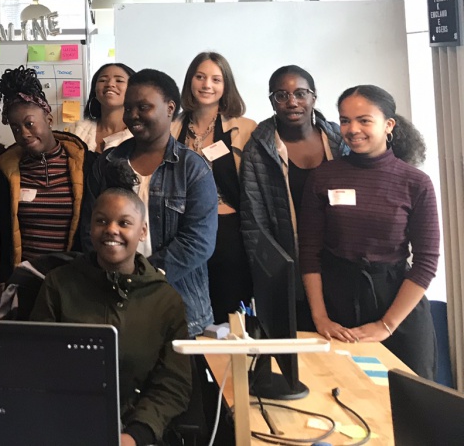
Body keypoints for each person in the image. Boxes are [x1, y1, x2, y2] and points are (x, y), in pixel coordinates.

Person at [32, 164, 191, 446]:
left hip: (135, 432)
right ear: (90, 226)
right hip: (63, 426)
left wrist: (136, 435)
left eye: (124, 223)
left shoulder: (165, 300)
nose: (111, 230)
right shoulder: (59, 284)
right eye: (101, 221)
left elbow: (173, 383)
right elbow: (38, 363)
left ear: (142, 231)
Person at [299, 85, 439, 378]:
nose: (353, 129)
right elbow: (310, 253)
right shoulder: (324, 176)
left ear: (389, 125)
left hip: (397, 304)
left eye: (364, 120)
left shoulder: (416, 182)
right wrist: (320, 317)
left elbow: (426, 262)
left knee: (410, 398)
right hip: (337, 304)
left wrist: (386, 325)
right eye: (345, 120)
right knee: (340, 390)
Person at [89, 69, 217, 336]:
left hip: (178, 302)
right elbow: (89, 228)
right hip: (112, 297)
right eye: (128, 108)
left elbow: (198, 242)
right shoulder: (107, 164)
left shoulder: (193, 169)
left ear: (169, 108)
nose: (132, 115)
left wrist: (142, 275)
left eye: (143, 107)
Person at [240, 65, 346, 331]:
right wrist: (273, 277)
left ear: (313, 97)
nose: (292, 102)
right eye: (281, 95)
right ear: (272, 101)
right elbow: (255, 223)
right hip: (290, 269)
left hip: (342, 266)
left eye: (300, 93)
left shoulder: (338, 140)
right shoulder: (258, 149)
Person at [0, 66, 92, 283]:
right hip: (24, 283)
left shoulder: (88, 167)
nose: (24, 133)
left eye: (29, 124)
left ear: (49, 119)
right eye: (15, 128)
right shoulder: (2, 174)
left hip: (73, 284)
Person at [172, 52, 256, 322]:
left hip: (228, 233)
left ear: (225, 85)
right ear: (190, 81)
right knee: (186, 312)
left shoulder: (244, 129)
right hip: (182, 232)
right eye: (200, 77)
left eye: (216, 79)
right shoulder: (172, 127)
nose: (207, 85)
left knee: (228, 314)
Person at [68, 63, 134, 153]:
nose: (110, 84)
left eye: (119, 80)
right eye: (103, 80)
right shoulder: (76, 130)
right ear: (94, 89)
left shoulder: (141, 135)